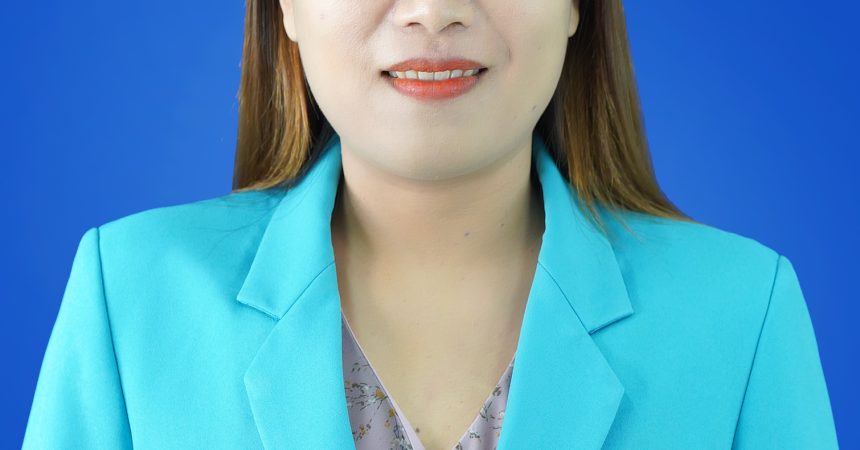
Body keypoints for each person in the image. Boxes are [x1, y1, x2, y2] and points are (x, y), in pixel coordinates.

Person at [23, 0, 839, 449]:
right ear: (286, 9)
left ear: (576, 8)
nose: (433, 11)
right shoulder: (132, 297)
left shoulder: (741, 314)